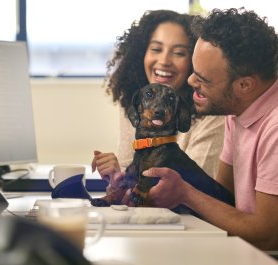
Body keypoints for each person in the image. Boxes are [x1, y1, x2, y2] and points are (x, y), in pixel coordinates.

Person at [131, 8, 278, 250]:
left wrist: (186, 193)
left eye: (203, 79)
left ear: (244, 85)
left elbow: (268, 236)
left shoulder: (274, 128)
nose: (190, 81)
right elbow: (224, 202)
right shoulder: (238, 110)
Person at [92, 10, 225, 182]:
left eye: (178, 53)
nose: (164, 60)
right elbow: (132, 176)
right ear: (141, 54)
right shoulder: (137, 105)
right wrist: (117, 175)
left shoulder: (212, 115)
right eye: (156, 49)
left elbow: (196, 190)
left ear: (194, 62)